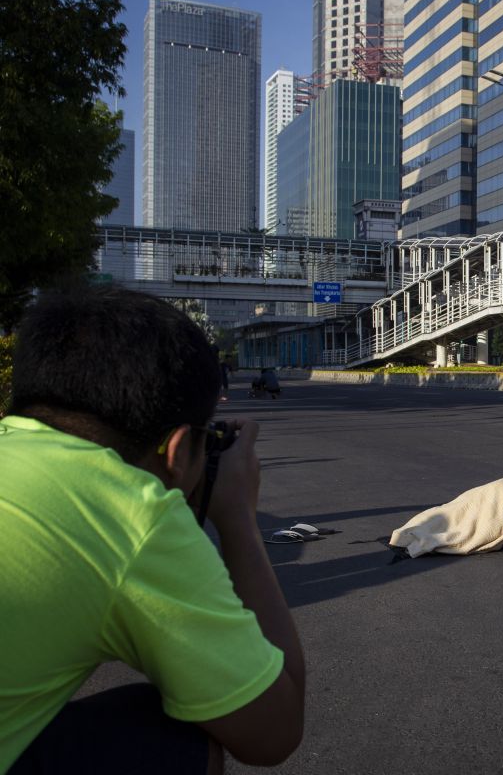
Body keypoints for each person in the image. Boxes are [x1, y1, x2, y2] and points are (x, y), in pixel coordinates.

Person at [0, 287, 305, 774]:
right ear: (180, 447)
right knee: (169, 739)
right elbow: (274, 731)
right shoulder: (130, 512)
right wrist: (239, 520)